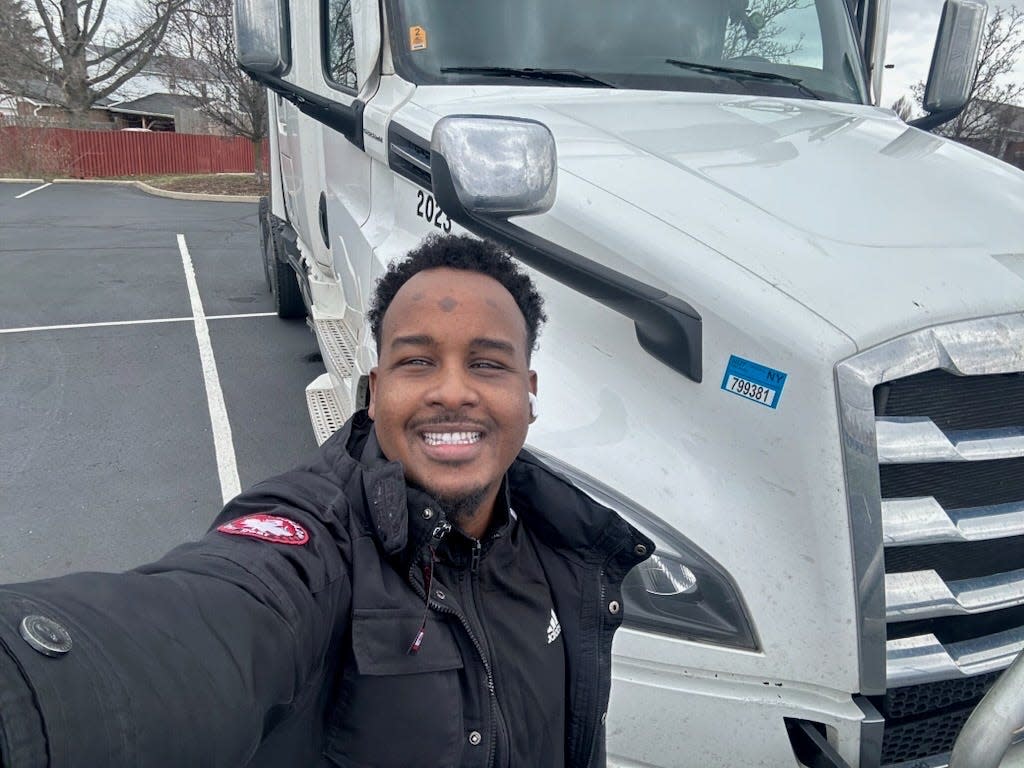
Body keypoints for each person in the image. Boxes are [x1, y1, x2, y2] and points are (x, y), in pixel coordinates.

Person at [0, 233, 653, 768]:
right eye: (417, 362)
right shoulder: (316, 535)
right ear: (375, 389)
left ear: (528, 391)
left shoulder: (569, 548)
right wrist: (28, 697)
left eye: (487, 364)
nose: (453, 391)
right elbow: (206, 623)